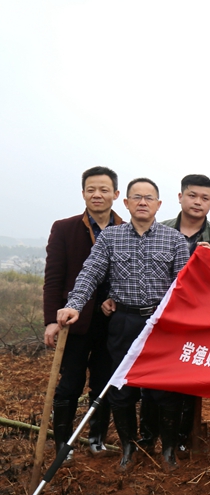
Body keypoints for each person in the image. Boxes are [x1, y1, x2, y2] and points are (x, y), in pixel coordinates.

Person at [56, 178, 190, 473]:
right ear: (126, 203)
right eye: (136, 197)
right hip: (124, 321)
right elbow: (90, 273)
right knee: (122, 388)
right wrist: (74, 305)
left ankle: (166, 450)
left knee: (164, 389)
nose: (143, 202)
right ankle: (129, 449)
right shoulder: (110, 238)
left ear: (158, 205)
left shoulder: (175, 240)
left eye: (149, 197)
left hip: (161, 324)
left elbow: (185, 286)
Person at [43, 167, 123, 459]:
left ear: (116, 194)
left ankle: (96, 439)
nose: (97, 195)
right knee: (70, 382)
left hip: (111, 321)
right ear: (83, 194)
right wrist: (52, 320)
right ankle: (64, 443)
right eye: (91, 189)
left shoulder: (125, 229)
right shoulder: (64, 228)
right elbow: (53, 278)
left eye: (104, 190)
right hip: (74, 321)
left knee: (103, 382)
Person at [159, 174, 210, 456]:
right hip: (162, 317)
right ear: (180, 197)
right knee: (156, 379)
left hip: (198, 321)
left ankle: (182, 437)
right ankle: (153, 435)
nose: (197, 202)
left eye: (204, 198)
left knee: (187, 381)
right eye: (192, 195)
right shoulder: (160, 230)